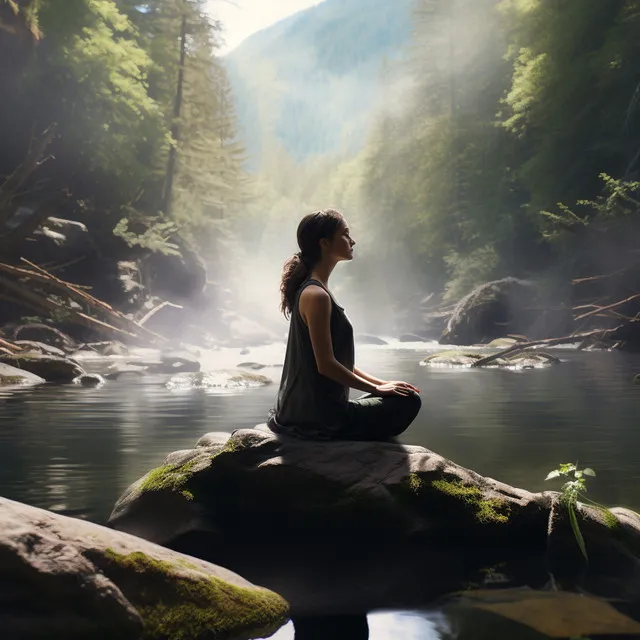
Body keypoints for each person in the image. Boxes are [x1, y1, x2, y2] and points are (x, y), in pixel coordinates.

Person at [267, 208, 421, 441]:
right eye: (345, 234)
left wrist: (383, 383)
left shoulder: (314, 290)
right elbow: (326, 365)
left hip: (302, 413)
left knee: (399, 393)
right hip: (318, 420)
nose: (352, 240)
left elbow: (337, 362)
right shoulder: (316, 295)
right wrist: (377, 390)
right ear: (325, 243)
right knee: (409, 401)